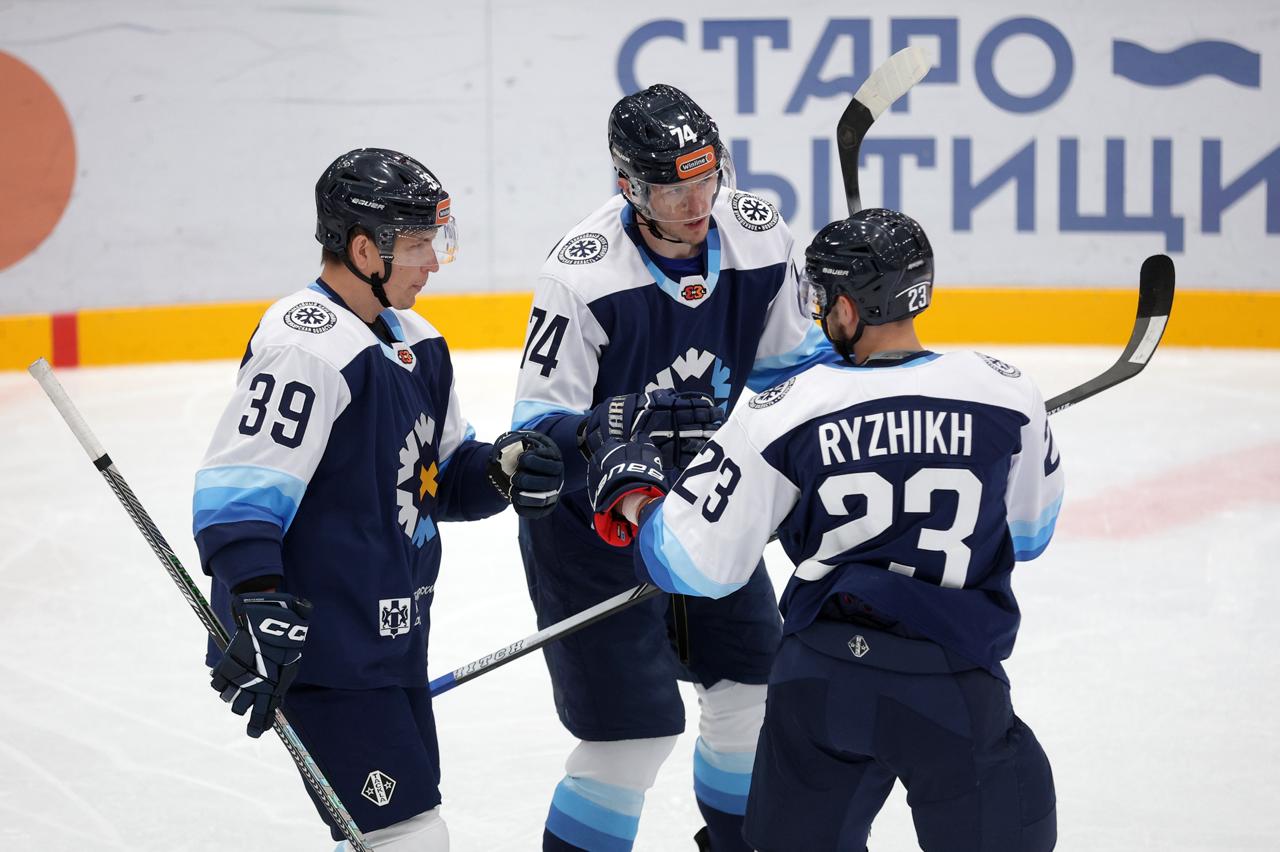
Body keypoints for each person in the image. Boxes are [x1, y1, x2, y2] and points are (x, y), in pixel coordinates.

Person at [587, 208, 1064, 851]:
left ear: (845, 307)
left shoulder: (781, 411)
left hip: (823, 683)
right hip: (951, 685)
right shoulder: (1007, 394)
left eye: (822, 299)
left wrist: (635, 500)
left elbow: (691, 565)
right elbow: (1031, 536)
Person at [192, 147, 564, 851]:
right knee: (407, 835)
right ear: (365, 249)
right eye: (419, 245)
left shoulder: (418, 341)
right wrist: (256, 600)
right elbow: (238, 491)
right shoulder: (305, 343)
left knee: (386, 832)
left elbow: (438, 477)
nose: (433, 263)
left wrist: (502, 470)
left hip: (388, 637)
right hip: (318, 643)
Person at [511, 84, 834, 851]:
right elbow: (534, 437)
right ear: (630, 187)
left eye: (707, 179)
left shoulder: (759, 236)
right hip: (595, 537)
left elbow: (791, 374)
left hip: (708, 510)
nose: (696, 204)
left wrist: (851, 383)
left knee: (752, 695)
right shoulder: (582, 275)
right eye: (671, 190)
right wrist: (603, 446)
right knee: (631, 741)